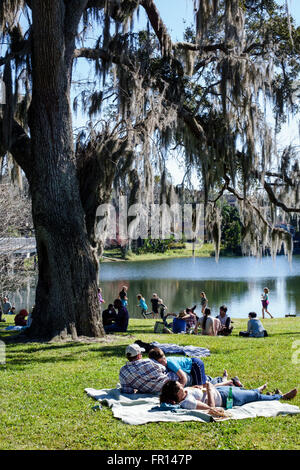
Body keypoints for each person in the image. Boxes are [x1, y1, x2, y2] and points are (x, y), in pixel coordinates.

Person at [160, 380, 298, 412]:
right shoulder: (187, 403)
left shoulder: (184, 395)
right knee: (255, 397)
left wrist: (199, 387)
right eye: (180, 388)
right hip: (225, 398)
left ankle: (258, 389)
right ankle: (282, 397)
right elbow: (211, 408)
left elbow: (193, 390)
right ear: (176, 394)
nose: (183, 388)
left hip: (219, 390)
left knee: (247, 392)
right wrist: (208, 389)